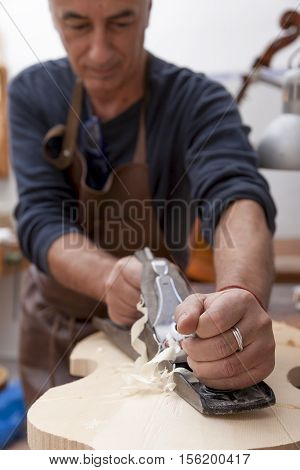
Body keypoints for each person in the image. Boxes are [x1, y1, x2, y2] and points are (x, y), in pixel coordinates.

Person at [8, 0, 277, 408]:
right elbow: (41, 218)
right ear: (53, 16)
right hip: (56, 334)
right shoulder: (34, 92)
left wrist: (242, 293)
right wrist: (107, 277)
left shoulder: (198, 101)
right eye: (77, 25)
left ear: (148, 10)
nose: (99, 51)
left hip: (167, 339)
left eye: (120, 22)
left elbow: (235, 193)